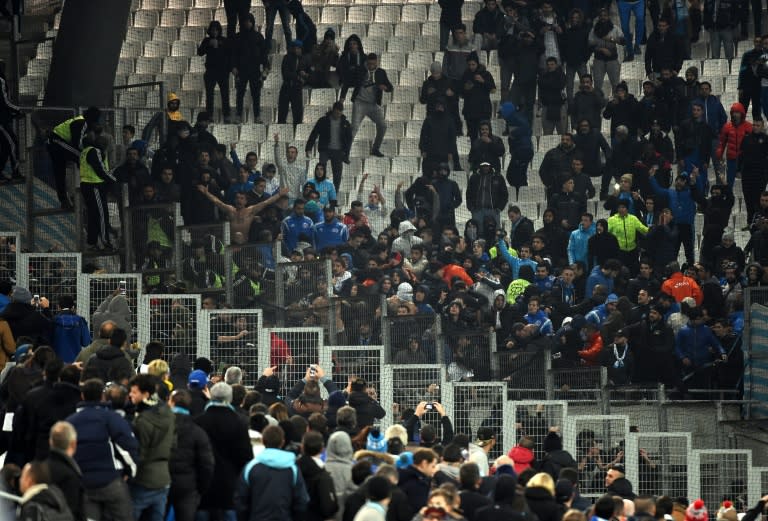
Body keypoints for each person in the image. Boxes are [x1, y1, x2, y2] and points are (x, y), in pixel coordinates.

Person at [66, 379, 138, 521]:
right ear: (102, 396)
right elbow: (128, 446)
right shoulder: (111, 418)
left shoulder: (70, 422)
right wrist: (130, 472)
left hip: (84, 485)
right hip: (111, 481)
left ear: (82, 396)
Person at [196, 382, 253, 520]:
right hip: (229, 484)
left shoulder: (199, 421)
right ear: (230, 398)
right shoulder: (239, 422)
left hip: (203, 484)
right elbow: (245, 456)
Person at [127, 374, 176, 521]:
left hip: (143, 479)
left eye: (134, 392)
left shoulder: (141, 422)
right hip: (164, 478)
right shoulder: (168, 413)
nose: (130, 395)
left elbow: (139, 454)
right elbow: (174, 443)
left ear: (146, 394)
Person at [235, 425, 309, 519]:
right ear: (282, 442)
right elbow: (301, 500)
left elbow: (241, 500)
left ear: (262, 441)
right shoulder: (293, 468)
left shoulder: (250, 467)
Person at [168, 389, 215, 521]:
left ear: (171, 402)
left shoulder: (162, 427)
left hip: (163, 483)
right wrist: (200, 488)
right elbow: (207, 464)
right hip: (188, 486)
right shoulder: (197, 431)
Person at [48, 107, 101, 209]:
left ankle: (64, 201)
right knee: (82, 157)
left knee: (60, 173)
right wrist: (89, 151)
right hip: (57, 142)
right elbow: (78, 144)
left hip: (53, 144)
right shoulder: (82, 123)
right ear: (93, 119)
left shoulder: (79, 121)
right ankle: (89, 184)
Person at [350, 53, 393, 157]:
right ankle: (345, 151)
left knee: (382, 125)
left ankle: (375, 148)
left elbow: (390, 87)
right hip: (360, 103)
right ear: (366, 62)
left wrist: (385, 87)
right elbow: (352, 79)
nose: (371, 66)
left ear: (376, 63)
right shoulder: (361, 70)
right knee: (354, 127)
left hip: (373, 105)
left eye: (373, 64)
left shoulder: (381, 73)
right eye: (369, 64)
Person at [79, 134, 116, 251]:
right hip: (94, 185)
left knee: (93, 215)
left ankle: (92, 242)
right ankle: (106, 242)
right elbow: (101, 170)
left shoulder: (84, 152)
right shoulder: (95, 151)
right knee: (101, 214)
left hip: (87, 185)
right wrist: (113, 180)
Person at [305, 102, 352, 191]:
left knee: (337, 175)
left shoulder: (345, 123)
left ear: (342, 112)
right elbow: (314, 134)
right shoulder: (323, 121)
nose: (337, 115)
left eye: (339, 113)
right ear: (332, 110)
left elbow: (349, 140)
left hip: (338, 151)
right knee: (321, 171)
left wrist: (346, 154)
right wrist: (308, 148)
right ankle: (320, 191)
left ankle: (334, 196)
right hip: (325, 150)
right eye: (336, 112)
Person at [232, 13, 270, 124]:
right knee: (240, 94)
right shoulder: (238, 37)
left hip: (255, 70)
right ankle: (238, 116)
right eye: (245, 21)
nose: (247, 23)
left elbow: (264, 54)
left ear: (252, 22)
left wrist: (266, 68)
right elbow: (234, 54)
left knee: (256, 94)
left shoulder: (258, 37)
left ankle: (257, 117)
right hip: (241, 71)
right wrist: (233, 67)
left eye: (249, 21)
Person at [46, 421, 85, 521]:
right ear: (73, 444)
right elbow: (73, 511)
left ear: (50, 441)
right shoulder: (71, 475)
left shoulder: (38, 469)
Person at [297, 431, 339, 521]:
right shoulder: (323, 476)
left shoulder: (293, 468)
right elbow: (328, 508)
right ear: (322, 449)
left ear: (302, 447)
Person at [198, 21, 231, 123]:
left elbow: (229, 55)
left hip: (223, 72)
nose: (215, 32)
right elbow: (200, 52)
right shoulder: (206, 40)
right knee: (209, 95)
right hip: (210, 72)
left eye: (216, 30)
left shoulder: (224, 41)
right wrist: (208, 44)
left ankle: (226, 116)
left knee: (225, 95)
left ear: (219, 30)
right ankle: (209, 116)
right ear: (210, 31)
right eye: (213, 30)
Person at [715, 103, 752, 189]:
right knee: (729, 182)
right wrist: (719, 154)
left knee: (747, 182)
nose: (735, 114)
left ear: (742, 114)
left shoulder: (748, 127)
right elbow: (722, 142)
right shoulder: (727, 127)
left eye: (737, 112)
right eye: (734, 112)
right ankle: (728, 198)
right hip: (731, 159)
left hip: (744, 160)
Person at [467, 162, 508, 229]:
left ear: (490, 166)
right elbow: (468, 194)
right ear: (480, 166)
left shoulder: (498, 177)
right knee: (479, 232)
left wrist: (499, 208)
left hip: (494, 211)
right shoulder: (474, 177)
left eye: (487, 166)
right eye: (483, 166)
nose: (485, 168)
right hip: (477, 211)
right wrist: (471, 208)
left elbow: (504, 194)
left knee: (494, 232)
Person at [0, 59, 22, 183]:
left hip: (3, 119)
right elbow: (5, 101)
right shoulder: (1, 80)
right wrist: (18, 110)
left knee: (5, 146)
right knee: (13, 143)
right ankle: (16, 172)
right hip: (1, 122)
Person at [51, 295, 90, 364]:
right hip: (75, 362)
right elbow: (86, 342)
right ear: (73, 307)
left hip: (57, 363)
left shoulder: (53, 321)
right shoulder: (80, 321)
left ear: (58, 307)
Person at [278, 40, 309, 125]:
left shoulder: (304, 59)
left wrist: (305, 76)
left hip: (297, 89)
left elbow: (308, 73)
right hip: (286, 88)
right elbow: (286, 74)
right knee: (282, 112)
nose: (297, 50)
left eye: (298, 48)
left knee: (297, 114)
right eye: (295, 48)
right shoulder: (287, 58)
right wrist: (298, 77)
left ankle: (296, 131)